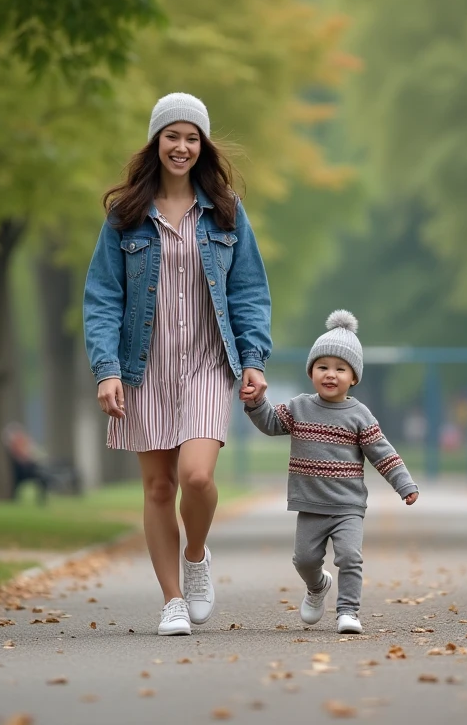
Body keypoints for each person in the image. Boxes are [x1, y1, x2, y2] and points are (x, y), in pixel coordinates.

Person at [83, 93, 272, 636]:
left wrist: (254, 358)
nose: (182, 147)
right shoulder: (125, 217)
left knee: (196, 476)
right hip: (144, 368)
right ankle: (172, 600)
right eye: (173, 136)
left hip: (209, 365)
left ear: (203, 146)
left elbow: (249, 291)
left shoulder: (226, 211)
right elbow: (102, 298)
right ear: (156, 142)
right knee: (159, 487)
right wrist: (108, 369)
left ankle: (196, 556)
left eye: (192, 138)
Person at [244, 310, 418, 635]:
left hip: (348, 507)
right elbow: (269, 423)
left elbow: (383, 453)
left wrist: (404, 483)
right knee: (304, 560)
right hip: (310, 505)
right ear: (311, 371)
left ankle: (348, 611)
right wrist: (256, 403)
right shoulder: (299, 407)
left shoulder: (359, 415)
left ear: (353, 377)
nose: (330, 375)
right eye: (322, 367)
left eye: (340, 369)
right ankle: (317, 586)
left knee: (350, 556)